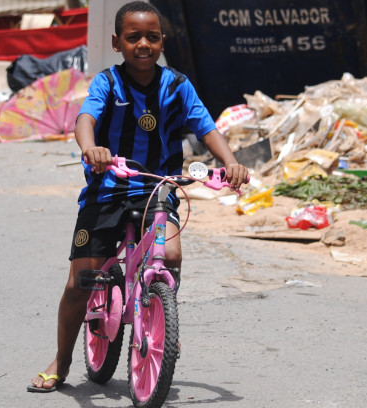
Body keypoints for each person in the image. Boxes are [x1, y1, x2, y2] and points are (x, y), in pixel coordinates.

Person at [28, 1, 248, 393]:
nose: (143, 44)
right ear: (117, 43)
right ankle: (60, 362)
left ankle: (161, 313)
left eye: (152, 36)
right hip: (109, 189)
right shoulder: (107, 83)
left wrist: (230, 162)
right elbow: (86, 120)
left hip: (159, 190)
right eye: (133, 38)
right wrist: (90, 148)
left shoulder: (178, 85)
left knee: (173, 255)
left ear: (162, 41)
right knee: (80, 281)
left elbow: (207, 128)